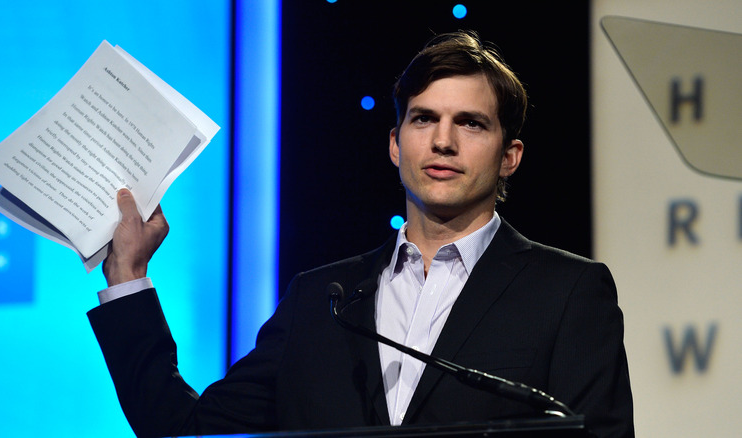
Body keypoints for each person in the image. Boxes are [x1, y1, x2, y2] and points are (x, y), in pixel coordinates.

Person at [88, 31, 634, 438]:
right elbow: (186, 429)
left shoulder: (567, 292)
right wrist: (129, 277)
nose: (442, 141)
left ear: (509, 156)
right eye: (423, 120)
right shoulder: (321, 299)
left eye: (470, 123)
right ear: (396, 145)